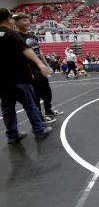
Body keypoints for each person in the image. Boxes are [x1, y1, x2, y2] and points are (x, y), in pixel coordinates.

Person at [0, 8, 52, 144]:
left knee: (7, 108)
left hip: (2, 80)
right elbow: (26, 50)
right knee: (30, 104)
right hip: (19, 77)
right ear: (9, 19)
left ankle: (12, 135)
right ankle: (39, 128)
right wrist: (40, 65)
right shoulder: (12, 34)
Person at [13, 12, 64, 123]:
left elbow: (39, 52)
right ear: (16, 22)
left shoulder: (32, 35)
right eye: (24, 20)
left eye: (28, 20)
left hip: (39, 69)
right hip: (29, 71)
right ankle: (40, 117)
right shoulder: (15, 37)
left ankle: (48, 111)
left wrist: (46, 65)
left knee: (47, 92)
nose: (28, 22)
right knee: (35, 96)